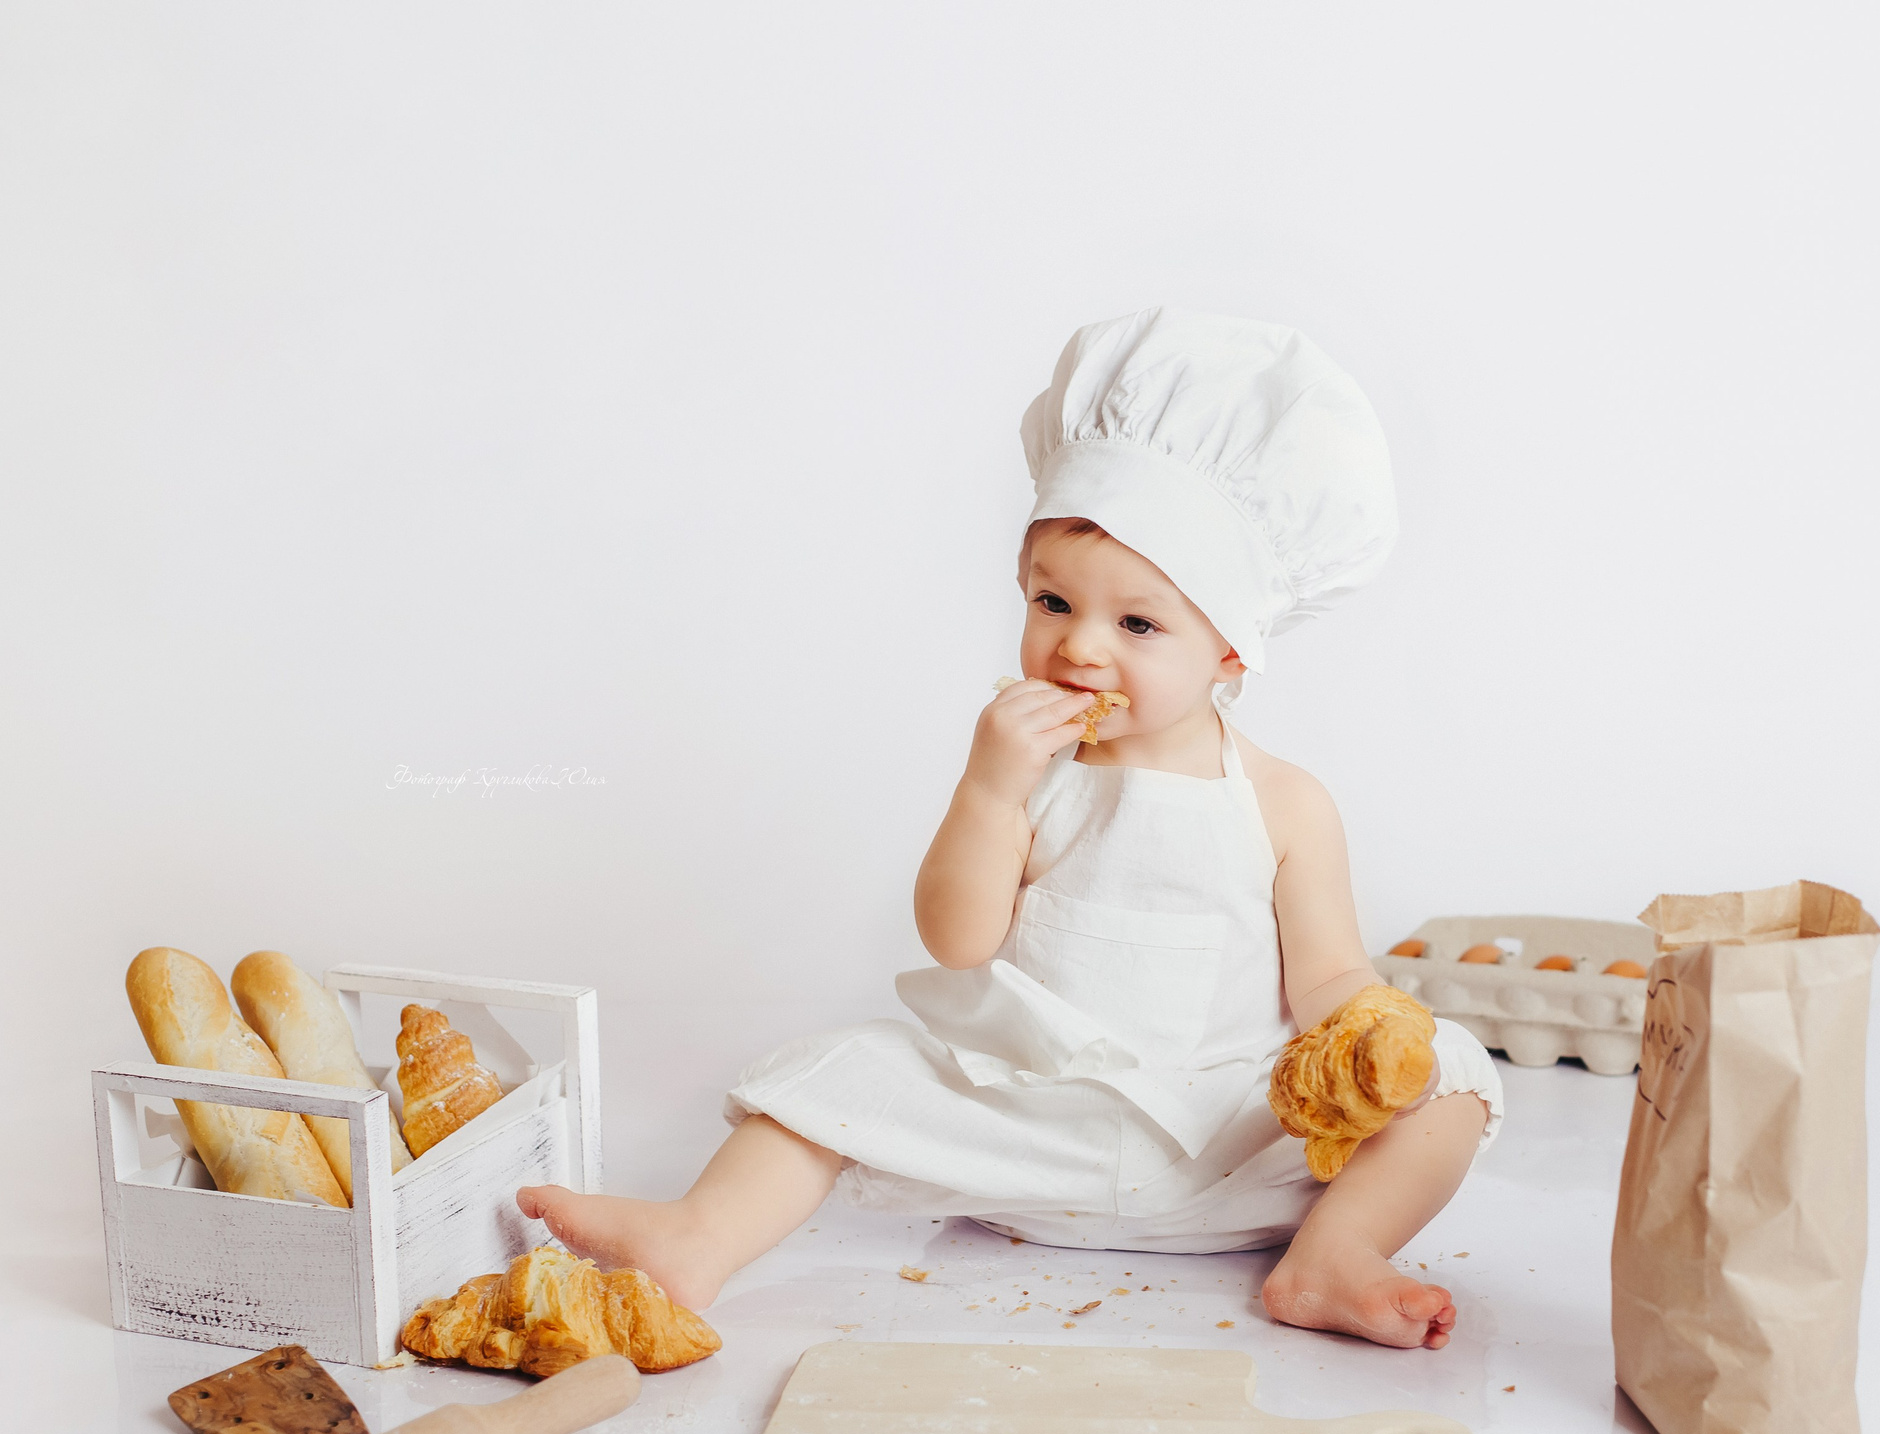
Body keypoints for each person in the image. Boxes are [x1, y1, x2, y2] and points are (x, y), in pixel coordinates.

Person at [519, 308, 1502, 1349]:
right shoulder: (1032, 775)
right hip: (1033, 1133)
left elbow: (1327, 980)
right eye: (1050, 602)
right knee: (835, 1067)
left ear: (1230, 655)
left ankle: (1332, 1255)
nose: (1078, 647)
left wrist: (1376, 1033)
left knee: (1461, 1077)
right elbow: (958, 942)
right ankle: (699, 1236)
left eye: (1136, 624)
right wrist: (989, 792)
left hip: (1223, 1151)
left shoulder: (1284, 800)